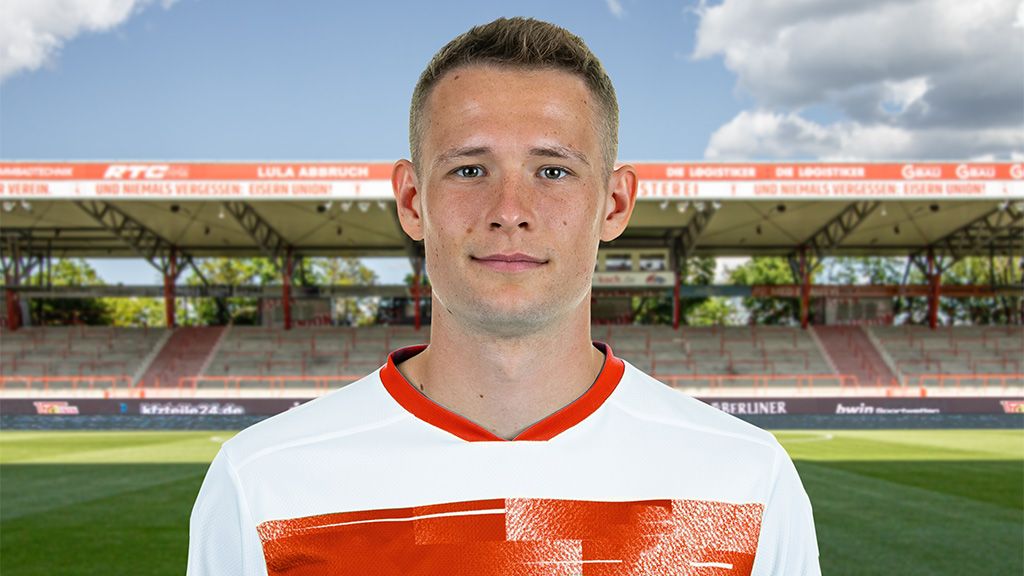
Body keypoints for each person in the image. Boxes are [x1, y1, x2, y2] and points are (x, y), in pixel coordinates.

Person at [187, 17, 820, 576]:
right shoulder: (264, 482)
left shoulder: (748, 482)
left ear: (615, 202)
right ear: (412, 200)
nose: (510, 211)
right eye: (469, 169)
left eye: (553, 171)